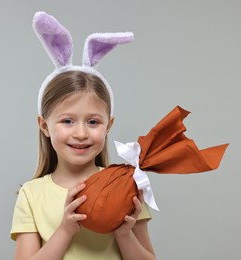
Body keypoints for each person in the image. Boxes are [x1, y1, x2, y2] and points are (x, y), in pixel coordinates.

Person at [10, 12, 156, 260]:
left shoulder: (127, 184)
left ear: (108, 125)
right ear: (44, 126)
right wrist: (65, 231)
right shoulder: (31, 194)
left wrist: (124, 234)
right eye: (67, 121)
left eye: (93, 122)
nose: (80, 133)